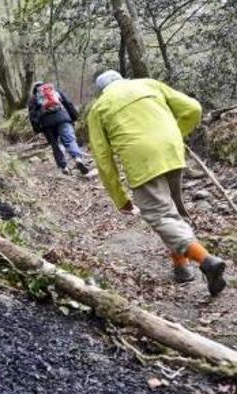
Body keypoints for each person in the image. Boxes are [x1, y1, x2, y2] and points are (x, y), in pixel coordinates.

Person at [88, 70, 226, 296]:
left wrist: (119, 198)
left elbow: (103, 159)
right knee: (172, 213)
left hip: (142, 161)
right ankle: (181, 267)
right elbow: (193, 109)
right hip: (171, 150)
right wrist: (175, 133)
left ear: (101, 89)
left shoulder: (99, 107)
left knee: (161, 216)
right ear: (121, 79)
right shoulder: (148, 84)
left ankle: (206, 261)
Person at [27, 81, 90, 175]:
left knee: (55, 144)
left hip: (47, 124)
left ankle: (64, 167)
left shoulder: (34, 98)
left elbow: (33, 115)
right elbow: (68, 103)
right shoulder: (56, 91)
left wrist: (37, 128)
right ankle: (77, 159)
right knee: (70, 140)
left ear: (34, 89)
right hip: (63, 118)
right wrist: (74, 116)